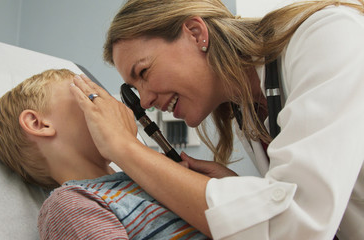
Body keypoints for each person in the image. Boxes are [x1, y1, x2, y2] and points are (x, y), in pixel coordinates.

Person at [68, 0, 364, 239]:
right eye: (135, 90)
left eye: (143, 72)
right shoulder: (246, 107)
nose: (145, 101)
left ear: (196, 33)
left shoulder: (329, 35)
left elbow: (297, 224)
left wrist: (125, 148)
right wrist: (237, 191)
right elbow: (298, 200)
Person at [0, 68, 210, 239]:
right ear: (38, 123)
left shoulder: (146, 178)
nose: (110, 105)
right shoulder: (69, 205)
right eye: (90, 96)